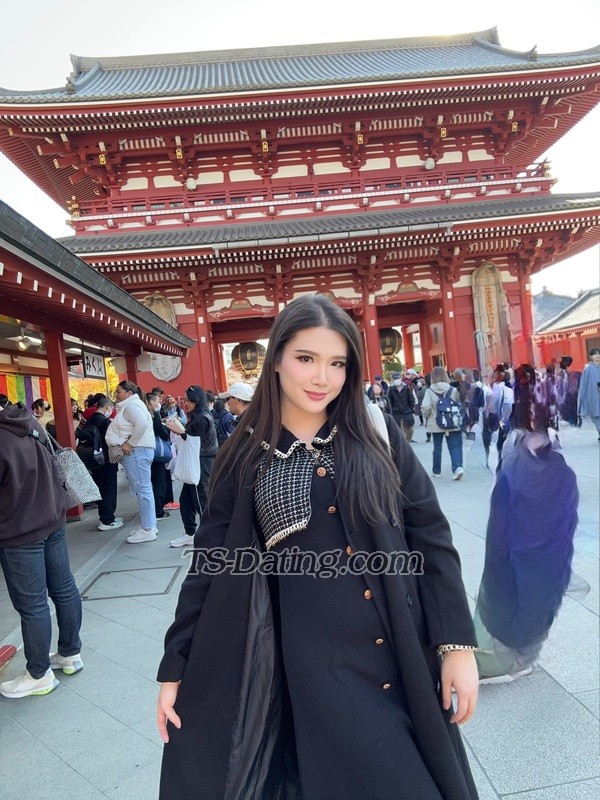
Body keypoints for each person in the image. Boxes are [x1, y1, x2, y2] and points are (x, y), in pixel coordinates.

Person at [156, 294, 479, 800]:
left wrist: (456, 645)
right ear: (276, 359)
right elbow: (211, 564)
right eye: (306, 358)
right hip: (310, 671)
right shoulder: (245, 455)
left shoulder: (374, 432)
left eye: (337, 363)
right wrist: (175, 667)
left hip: (399, 653)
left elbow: (430, 534)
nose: (321, 378)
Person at [474, 364, 579, 683]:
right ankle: (515, 654)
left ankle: (516, 657)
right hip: (525, 552)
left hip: (532, 552)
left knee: (527, 594)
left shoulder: (532, 462)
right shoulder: (522, 456)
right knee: (519, 593)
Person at [0, 401, 83, 698]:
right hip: (52, 519)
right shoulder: (29, 421)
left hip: (19, 531)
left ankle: (38, 674)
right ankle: (70, 653)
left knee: (32, 605)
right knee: (64, 588)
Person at [166, 386, 218, 549]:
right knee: (187, 500)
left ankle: (209, 536)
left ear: (197, 401)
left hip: (200, 463)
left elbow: (196, 443)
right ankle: (190, 534)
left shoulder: (201, 418)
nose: (186, 403)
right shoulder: (199, 416)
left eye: (189, 400)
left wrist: (181, 432)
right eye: (186, 400)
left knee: (199, 500)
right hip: (197, 461)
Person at [106, 380, 157, 543]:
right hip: (139, 451)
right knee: (143, 489)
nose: (116, 394)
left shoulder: (131, 406)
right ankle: (149, 525)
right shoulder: (132, 405)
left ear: (128, 393)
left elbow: (141, 424)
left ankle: (148, 529)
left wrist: (130, 444)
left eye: (119, 391)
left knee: (142, 490)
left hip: (137, 451)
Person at [83, 397, 123, 531]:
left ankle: (107, 517)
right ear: (107, 407)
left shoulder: (89, 420)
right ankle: (107, 519)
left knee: (101, 489)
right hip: (107, 460)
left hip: (95, 460)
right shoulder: (105, 422)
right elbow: (112, 440)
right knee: (109, 490)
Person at [421, 366, 465, 480]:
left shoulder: (429, 391)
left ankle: (436, 471)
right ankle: (457, 468)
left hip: (436, 422)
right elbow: (458, 403)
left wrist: (427, 415)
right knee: (454, 445)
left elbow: (425, 406)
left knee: (437, 446)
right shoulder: (452, 390)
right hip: (452, 421)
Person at [146, 392, 173, 523]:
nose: (159, 403)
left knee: (152, 483)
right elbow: (161, 433)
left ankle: (154, 510)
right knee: (159, 483)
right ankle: (158, 511)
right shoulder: (154, 415)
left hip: (147, 453)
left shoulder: (145, 414)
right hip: (157, 455)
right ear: (151, 402)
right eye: (157, 401)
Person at [577, 347, 600, 439]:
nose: (597, 355)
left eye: (598, 353)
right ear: (591, 356)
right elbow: (583, 385)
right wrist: (583, 397)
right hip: (593, 395)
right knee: (596, 415)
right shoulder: (588, 369)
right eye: (595, 354)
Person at [387, 370, 416, 442]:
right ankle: (404, 447)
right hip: (396, 414)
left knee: (410, 431)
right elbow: (389, 401)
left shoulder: (406, 388)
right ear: (393, 380)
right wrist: (391, 411)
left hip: (407, 412)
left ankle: (407, 444)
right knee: (401, 433)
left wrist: (411, 409)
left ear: (400, 378)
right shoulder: (391, 389)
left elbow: (411, 399)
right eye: (395, 378)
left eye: (398, 378)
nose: (397, 380)